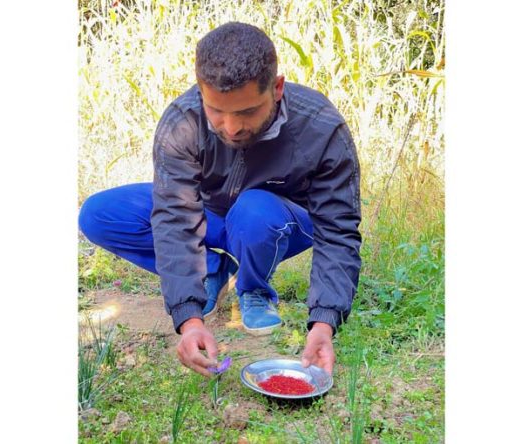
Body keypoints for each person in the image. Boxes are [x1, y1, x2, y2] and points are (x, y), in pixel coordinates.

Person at [79, 22, 362, 377]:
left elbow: (337, 230)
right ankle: (214, 271)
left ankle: (253, 288)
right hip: (212, 216)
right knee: (99, 214)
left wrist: (324, 322)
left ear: (277, 89)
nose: (230, 127)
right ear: (201, 92)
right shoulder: (182, 122)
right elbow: (174, 217)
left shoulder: (321, 127)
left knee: (254, 209)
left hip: (277, 221)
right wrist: (189, 319)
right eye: (216, 111)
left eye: (246, 112)